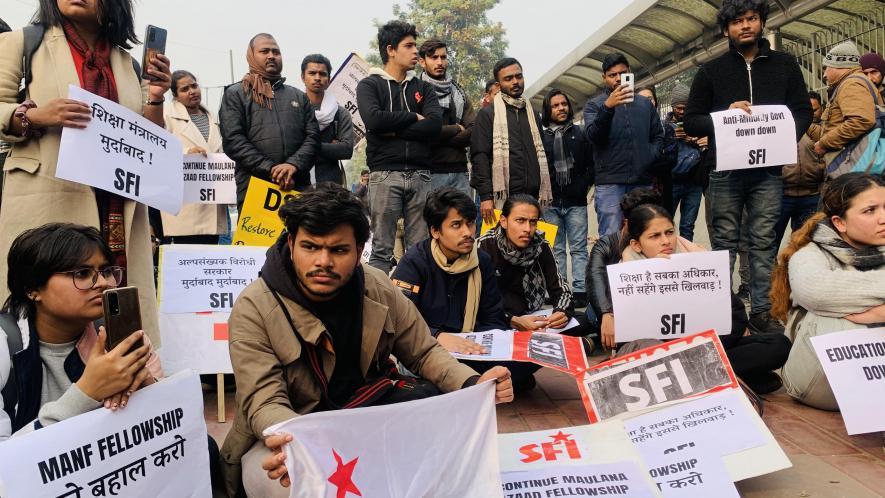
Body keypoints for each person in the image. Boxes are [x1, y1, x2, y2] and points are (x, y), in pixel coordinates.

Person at [221, 184, 513, 496]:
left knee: (445, 446)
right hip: (292, 433)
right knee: (286, 484)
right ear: (291, 243)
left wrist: (474, 384)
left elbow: (424, 351)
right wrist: (298, 444)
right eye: (310, 247)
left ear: (360, 250)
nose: (323, 262)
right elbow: (264, 401)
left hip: (367, 418)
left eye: (338, 250)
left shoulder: (377, 286)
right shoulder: (254, 307)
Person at [0, 0, 173, 347]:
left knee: (118, 311)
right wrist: (35, 116)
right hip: (48, 200)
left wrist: (155, 98)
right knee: (42, 312)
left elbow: (149, 138)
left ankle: (118, 386)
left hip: (116, 208)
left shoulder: (127, 63)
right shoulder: (21, 42)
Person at [684, 0, 812, 334]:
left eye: (752, 19)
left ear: (761, 23)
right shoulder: (711, 70)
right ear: (726, 29)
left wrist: (783, 137)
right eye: (738, 21)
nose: (745, 26)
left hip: (767, 172)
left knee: (764, 239)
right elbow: (692, 121)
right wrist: (724, 116)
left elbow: (802, 110)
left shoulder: (785, 65)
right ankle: (722, 310)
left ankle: (762, 311)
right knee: (724, 241)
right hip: (724, 171)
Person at [586, 190, 791, 393]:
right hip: (660, 354)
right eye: (655, 236)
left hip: (705, 348)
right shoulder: (626, 275)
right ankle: (731, 377)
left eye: (669, 232)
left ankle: (703, 377)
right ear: (636, 244)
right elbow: (629, 338)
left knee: (778, 344)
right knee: (652, 351)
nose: (666, 241)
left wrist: (700, 341)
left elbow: (736, 317)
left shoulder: (699, 261)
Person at [0, 223, 162, 439]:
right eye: (82, 273)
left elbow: (165, 425)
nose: (103, 283)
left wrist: (145, 388)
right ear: (32, 289)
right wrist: (86, 393)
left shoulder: (122, 335)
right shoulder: (6, 344)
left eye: (106, 271)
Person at [771, 173, 885, 410]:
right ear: (839, 222)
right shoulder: (809, 255)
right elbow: (816, 293)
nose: (883, 218)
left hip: (875, 379)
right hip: (819, 382)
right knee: (833, 315)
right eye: (870, 211)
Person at [357, 20, 443, 275]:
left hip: (421, 174)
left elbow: (435, 126)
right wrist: (412, 117)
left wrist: (390, 127)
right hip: (384, 175)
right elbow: (373, 120)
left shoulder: (423, 86)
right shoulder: (370, 84)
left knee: (420, 248)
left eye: (415, 45)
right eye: (409, 46)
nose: (416, 51)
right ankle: (379, 305)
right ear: (391, 49)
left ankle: (415, 307)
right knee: (382, 249)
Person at [219, 33, 319, 210]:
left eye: (276, 52)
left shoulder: (298, 96)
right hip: (254, 188)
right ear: (251, 56)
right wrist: (272, 169)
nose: (271, 56)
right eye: (264, 51)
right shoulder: (236, 94)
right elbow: (233, 140)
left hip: (298, 187)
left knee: (298, 237)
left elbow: (313, 138)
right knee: (259, 240)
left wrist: (292, 165)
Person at [583, 53, 664, 236]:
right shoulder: (594, 105)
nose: (618, 78)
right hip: (610, 183)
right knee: (612, 237)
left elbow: (658, 135)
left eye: (623, 73)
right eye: (612, 75)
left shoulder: (644, 104)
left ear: (630, 73)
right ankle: (611, 267)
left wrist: (649, 156)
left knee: (646, 233)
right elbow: (593, 136)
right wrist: (608, 107)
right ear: (604, 77)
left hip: (642, 181)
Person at [472, 58, 553, 226]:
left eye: (519, 76)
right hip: (501, 198)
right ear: (499, 84)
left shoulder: (533, 114)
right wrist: (486, 197)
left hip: (532, 196)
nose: (515, 82)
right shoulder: (488, 114)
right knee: (497, 250)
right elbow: (480, 156)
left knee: (532, 249)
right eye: (508, 78)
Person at [478, 195, 574, 330]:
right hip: (499, 319)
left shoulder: (541, 245)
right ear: (504, 221)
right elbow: (478, 301)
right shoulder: (485, 246)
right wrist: (512, 320)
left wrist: (561, 312)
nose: (528, 229)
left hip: (533, 316)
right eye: (520, 221)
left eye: (533, 222)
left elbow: (561, 290)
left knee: (582, 320)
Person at [161, 70, 229, 244]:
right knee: (188, 256)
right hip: (186, 205)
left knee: (210, 256)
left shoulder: (213, 117)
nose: (192, 91)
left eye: (194, 86)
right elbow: (159, 150)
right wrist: (186, 153)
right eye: (184, 89)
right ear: (175, 96)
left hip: (213, 199)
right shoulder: (167, 116)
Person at [539, 89, 593, 308]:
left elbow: (591, 164)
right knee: (555, 249)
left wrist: (582, 186)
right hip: (550, 203)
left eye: (564, 104)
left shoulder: (580, 134)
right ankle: (560, 289)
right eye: (555, 105)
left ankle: (580, 289)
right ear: (548, 110)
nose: (561, 108)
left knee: (579, 247)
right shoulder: (542, 137)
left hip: (576, 202)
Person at [808, 42, 884, 164]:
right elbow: (834, 127)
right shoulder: (854, 83)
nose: (824, 74)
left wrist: (824, 144)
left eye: (827, 67)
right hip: (854, 161)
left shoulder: (851, 84)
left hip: (852, 164)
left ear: (840, 65)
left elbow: (861, 120)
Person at [418, 40, 476, 195]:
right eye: (434, 57)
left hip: (460, 171)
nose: (440, 62)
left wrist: (438, 137)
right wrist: (457, 128)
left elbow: (473, 130)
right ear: (422, 62)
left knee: (465, 218)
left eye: (443, 57)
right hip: (428, 172)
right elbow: (422, 133)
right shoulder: (415, 91)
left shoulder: (459, 92)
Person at [775, 91, 826, 247]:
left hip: (811, 197)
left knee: (803, 246)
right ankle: (772, 272)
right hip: (781, 196)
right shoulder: (779, 128)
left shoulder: (824, 132)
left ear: (821, 109)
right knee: (769, 243)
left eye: (814, 110)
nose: (809, 114)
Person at [301, 54, 354, 186]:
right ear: (303, 77)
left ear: (329, 79)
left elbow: (347, 150)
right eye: (312, 73)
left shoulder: (340, 113)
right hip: (299, 181)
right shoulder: (294, 109)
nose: (317, 78)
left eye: (322, 74)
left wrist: (307, 144)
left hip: (330, 186)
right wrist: (330, 146)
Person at [668, 83, 708, 242]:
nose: (682, 112)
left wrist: (695, 140)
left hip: (694, 183)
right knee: (666, 223)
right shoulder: (664, 126)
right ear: (672, 107)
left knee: (687, 225)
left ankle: (686, 259)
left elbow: (707, 145)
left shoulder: (699, 124)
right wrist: (671, 138)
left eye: (686, 107)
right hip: (672, 182)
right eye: (679, 108)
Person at [638, 86, 675, 214]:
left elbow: (671, 158)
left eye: (650, 98)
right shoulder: (629, 130)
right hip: (638, 188)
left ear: (655, 101)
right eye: (642, 99)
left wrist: (645, 164)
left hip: (663, 186)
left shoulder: (666, 128)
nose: (647, 102)